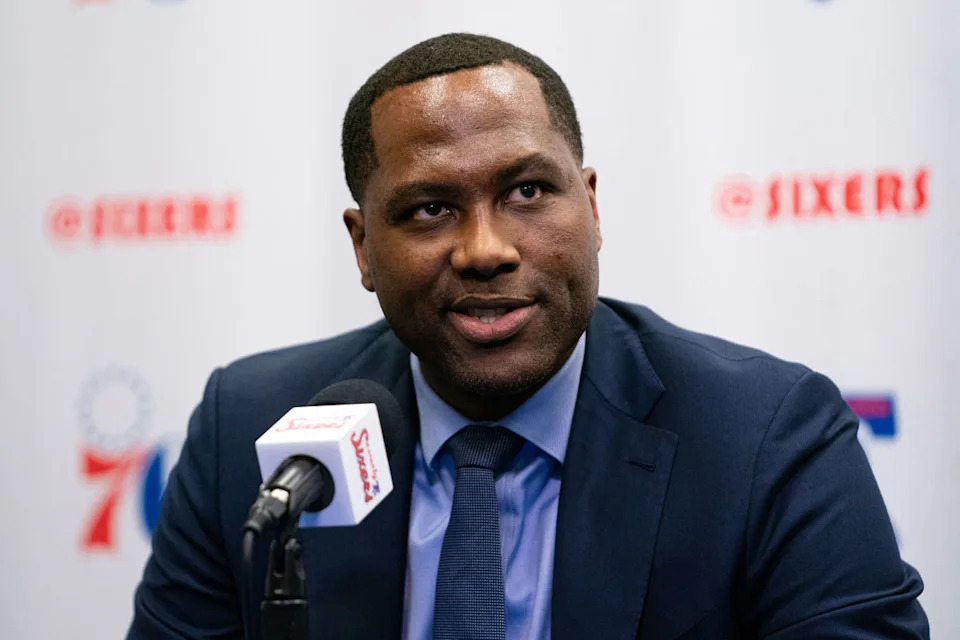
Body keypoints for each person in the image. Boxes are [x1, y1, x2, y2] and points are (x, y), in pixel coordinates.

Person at [127, 33, 929, 639]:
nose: (485, 250)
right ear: (364, 247)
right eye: (429, 209)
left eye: (527, 191)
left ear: (592, 207)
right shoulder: (251, 431)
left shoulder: (766, 437)